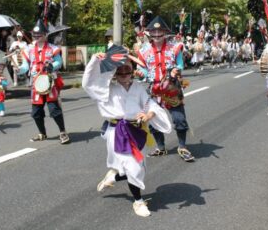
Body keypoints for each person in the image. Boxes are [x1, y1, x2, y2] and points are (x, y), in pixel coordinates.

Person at [82, 53, 172, 217]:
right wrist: (95, 59)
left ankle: (113, 177)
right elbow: (89, 83)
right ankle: (138, 202)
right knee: (134, 168)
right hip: (117, 132)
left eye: (127, 71)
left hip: (137, 131)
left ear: (133, 71)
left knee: (135, 168)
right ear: (114, 73)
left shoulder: (137, 87)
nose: (124, 74)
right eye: (120, 71)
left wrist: (149, 115)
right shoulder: (107, 88)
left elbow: (149, 104)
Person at [136, 16, 194, 162]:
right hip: (154, 90)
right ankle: (161, 147)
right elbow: (141, 68)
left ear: (165, 32)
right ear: (149, 33)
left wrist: (176, 70)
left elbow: (180, 64)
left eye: (159, 31)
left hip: (171, 88)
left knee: (179, 119)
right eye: (153, 32)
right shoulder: (143, 50)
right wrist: (140, 73)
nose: (156, 35)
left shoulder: (175, 47)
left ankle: (182, 146)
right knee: (154, 121)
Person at [18, 20, 70, 144]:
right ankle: (42, 133)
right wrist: (19, 69)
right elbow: (25, 66)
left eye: (39, 34)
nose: (36, 37)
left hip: (49, 82)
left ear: (45, 34)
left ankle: (63, 132)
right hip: (36, 83)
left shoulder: (53, 48)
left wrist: (52, 65)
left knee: (54, 109)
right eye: (34, 35)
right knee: (36, 112)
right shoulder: (28, 49)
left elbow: (59, 62)